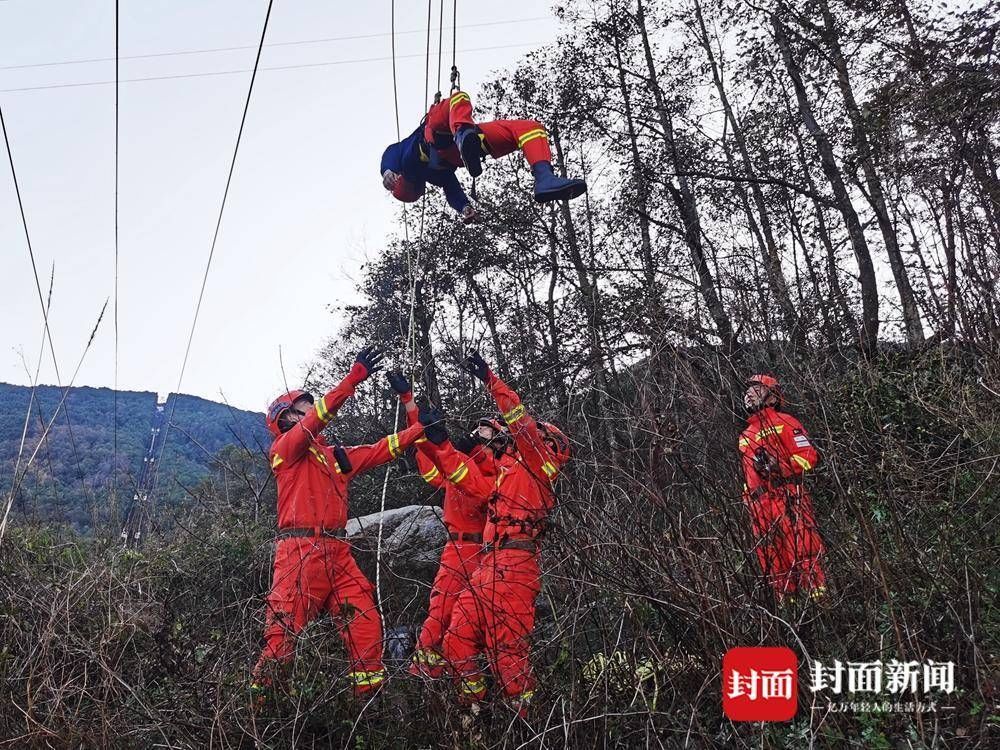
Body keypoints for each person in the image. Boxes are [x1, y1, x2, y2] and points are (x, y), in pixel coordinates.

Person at [251, 346, 426, 701]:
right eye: (302, 411)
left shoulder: (334, 458)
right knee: (281, 639)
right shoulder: (284, 450)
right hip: (299, 554)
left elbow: (382, 449)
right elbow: (319, 418)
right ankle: (262, 712)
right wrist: (352, 379)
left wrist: (419, 423)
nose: (310, 415)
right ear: (284, 419)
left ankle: (368, 708)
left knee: (365, 626)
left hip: (337, 553)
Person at [417, 351, 571, 713]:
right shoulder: (507, 469)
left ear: (550, 444)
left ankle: (528, 723)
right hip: (488, 564)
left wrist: (490, 379)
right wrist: (439, 443)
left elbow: (518, 421)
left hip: (515, 565)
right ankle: (476, 710)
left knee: (509, 655)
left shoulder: (539, 465)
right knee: (456, 641)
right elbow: (465, 476)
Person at [386, 372, 515, 676]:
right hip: (456, 549)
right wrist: (411, 405)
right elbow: (426, 447)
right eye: (476, 428)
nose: (476, 433)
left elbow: (476, 486)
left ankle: (469, 682)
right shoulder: (460, 460)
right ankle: (429, 680)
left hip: (484, 552)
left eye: (484, 430)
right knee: (440, 614)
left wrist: (460, 452)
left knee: (476, 622)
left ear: (499, 438)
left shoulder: (505, 471)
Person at [380, 89, 587, 221]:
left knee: (529, 128)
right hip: (452, 142)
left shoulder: (403, 160)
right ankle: (463, 135)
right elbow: (453, 191)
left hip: (443, 133)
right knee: (459, 99)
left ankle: (545, 177)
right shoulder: (432, 175)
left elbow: (390, 154)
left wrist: (387, 171)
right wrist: (464, 207)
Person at [739, 374, 827, 602]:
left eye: (756, 389)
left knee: (803, 547)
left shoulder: (786, 423)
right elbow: (748, 475)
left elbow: (809, 458)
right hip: (760, 506)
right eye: (748, 390)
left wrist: (781, 467)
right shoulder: (745, 435)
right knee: (771, 558)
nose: (748, 393)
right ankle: (788, 604)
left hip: (787, 496)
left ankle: (818, 601)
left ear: (771, 397)